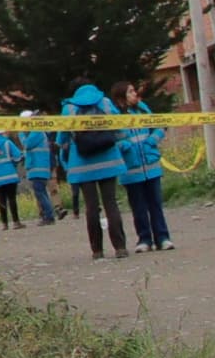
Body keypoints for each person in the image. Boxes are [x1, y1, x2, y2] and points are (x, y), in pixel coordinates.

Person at [59, 83, 131, 257]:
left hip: (82, 165)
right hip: (109, 161)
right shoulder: (105, 103)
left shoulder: (68, 109)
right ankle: (120, 247)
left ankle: (97, 250)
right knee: (111, 204)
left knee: (91, 207)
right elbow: (121, 130)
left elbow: (62, 138)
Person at [117, 94, 174, 251]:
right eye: (129, 91)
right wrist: (124, 145)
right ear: (120, 96)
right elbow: (112, 137)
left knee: (156, 204)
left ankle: (163, 237)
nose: (134, 94)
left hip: (151, 166)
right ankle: (144, 239)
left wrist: (152, 141)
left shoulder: (142, 109)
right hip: (130, 169)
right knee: (138, 207)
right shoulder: (114, 115)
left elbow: (159, 126)